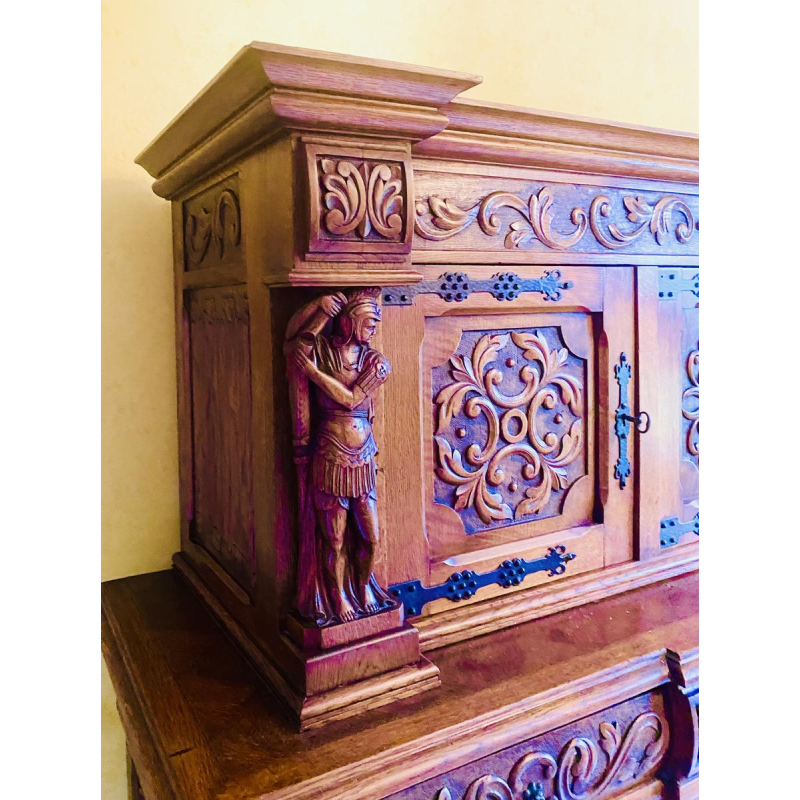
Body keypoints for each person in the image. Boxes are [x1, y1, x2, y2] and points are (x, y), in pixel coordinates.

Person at [286, 289, 396, 624]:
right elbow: (295, 347)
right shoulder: (322, 350)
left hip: (362, 457)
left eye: (377, 320)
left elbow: (350, 399)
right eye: (370, 320)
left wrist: (314, 374)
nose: (375, 327)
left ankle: (362, 587)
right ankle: (337, 595)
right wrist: (317, 309)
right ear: (348, 321)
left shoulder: (375, 361)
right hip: (329, 454)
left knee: (370, 536)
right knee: (332, 539)